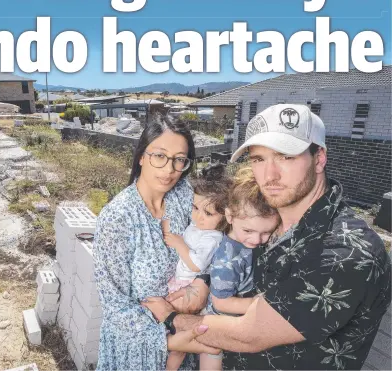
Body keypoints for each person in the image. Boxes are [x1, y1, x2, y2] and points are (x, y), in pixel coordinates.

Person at [143, 104, 392, 370]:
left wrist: (172, 319)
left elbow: (248, 335)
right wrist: (205, 281)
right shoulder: (267, 217)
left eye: (286, 157)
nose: (269, 175)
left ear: (319, 158)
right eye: (258, 159)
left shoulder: (347, 252)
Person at [92, 114, 218, 371]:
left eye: (179, 160)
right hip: (137, 351)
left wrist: (203, 282)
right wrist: (171, 340)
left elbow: (214, 243)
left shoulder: (185, 197)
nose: (169, 169)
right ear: (141, 156)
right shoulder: (118, 217)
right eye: (159, 156)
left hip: (186, 339)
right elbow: (115, 306)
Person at [200, 166, 280, 371]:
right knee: (212, 356)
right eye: (248, 230)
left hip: (237, 325)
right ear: (229, 216)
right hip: (217, 325)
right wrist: (260, 305)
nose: (256, 239)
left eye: (266, 232)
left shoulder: (248, 243)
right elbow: (222, 302)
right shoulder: (228, 260)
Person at [161, 164, 231, 370]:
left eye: (208, 213)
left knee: (178, 341)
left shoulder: (213, 237)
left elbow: (196, 263)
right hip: (180, 283)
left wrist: (180, 244)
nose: (199, 216)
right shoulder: (198, 226)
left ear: (225, 216)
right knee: (170, 333)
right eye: (195, 208)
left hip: (188, 286)